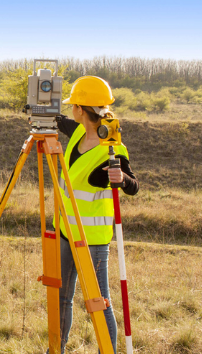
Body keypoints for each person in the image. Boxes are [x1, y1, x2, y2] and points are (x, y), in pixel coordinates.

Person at [52, 76, 139, 354]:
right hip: (66, 232)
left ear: (80, 109)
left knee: (99, 303)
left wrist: (122, 178)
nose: (71, 111)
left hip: (93, 242)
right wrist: (38, 109)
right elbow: (58, 121)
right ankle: (57, 349)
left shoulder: (111, 148)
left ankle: (107, 351)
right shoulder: (78, 131)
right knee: (62, 297)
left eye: (73, 105)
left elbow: (133, 187)